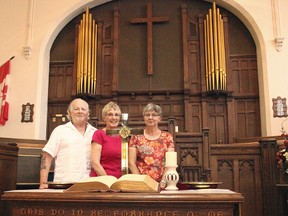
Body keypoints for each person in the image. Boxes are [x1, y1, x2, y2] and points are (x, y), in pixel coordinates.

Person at [39, 98, 96, 189]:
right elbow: (46, 157)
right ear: (69, 112)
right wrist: (43, 183)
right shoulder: (60, 131)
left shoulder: (95, 133)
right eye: (76, 109)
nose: (80, 111)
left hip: (88, 186)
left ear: (88, 114)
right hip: (62, 185)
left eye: (83, 109)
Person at [128, 103, 175, 188]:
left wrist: (163, 182)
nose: (150, 117)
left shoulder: (167, 137)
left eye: (154, 115)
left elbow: (170, 163)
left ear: (159, 118)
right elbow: (131, 163)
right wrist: (141, 182)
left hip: (163, 182)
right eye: (147, 115)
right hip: (141, 183)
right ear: (144, 117)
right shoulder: (136, 137)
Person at [90, 101, 122, 178]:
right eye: (110, 114)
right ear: (104, 117)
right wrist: (108, 181)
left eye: (116, 115)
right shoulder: (99, 134)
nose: (114, 117)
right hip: (102, 180)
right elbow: (95, 163)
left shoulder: (123, 136)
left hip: (120, 181)